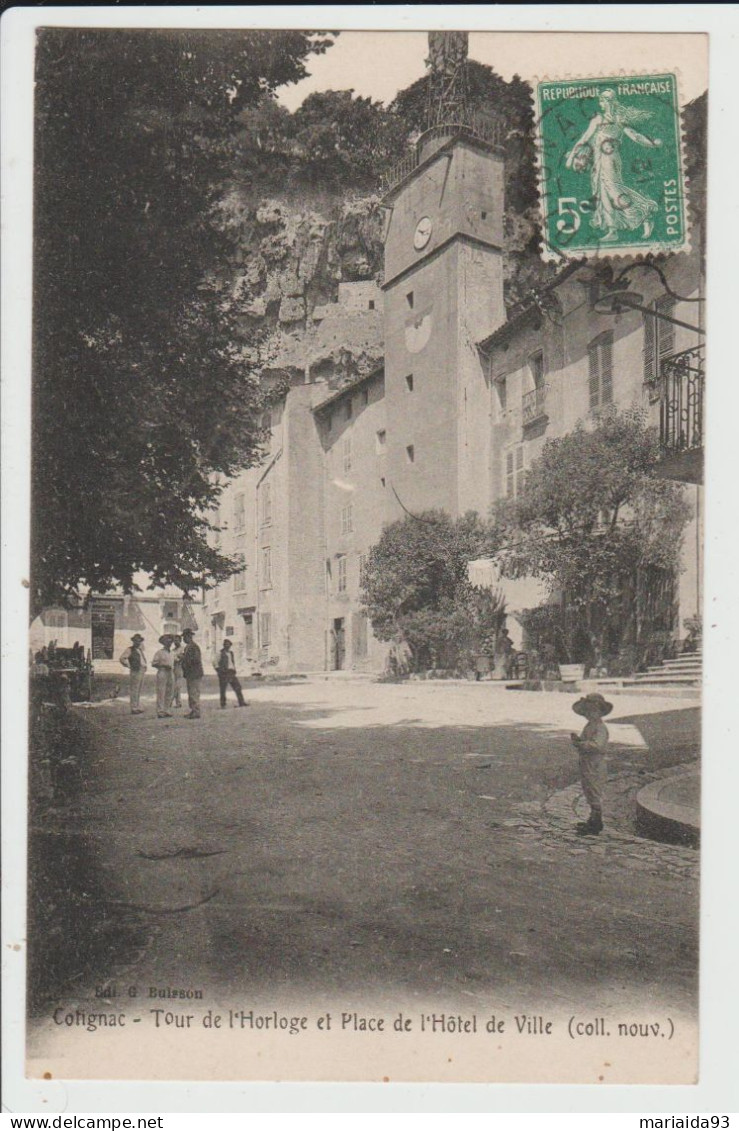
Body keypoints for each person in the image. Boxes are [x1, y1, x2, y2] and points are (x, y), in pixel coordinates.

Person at [566, 89, 662, 243]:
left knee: (615, 191)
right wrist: (571, 156)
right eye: (601, 101)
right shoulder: (598, 119)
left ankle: (645, 212)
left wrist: (651, 143)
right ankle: (613, 230)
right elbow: (584, 139)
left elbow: (634, 135)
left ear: (609, 101)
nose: (601, 103)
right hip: (599, 160)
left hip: (611, 160)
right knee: (603, 193)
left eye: (603, 100)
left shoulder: (618, 119)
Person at [570, 693, 613, 836]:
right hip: (587, 762)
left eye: (592, 711)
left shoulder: (600, 728)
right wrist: (578, 741)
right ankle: (592, 819)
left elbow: (598, 745)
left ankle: (596, 822)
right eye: (587, 711)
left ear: (599, 712)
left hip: (595, 763)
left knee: (594, 790)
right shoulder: (590, 725)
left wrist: (583, 744)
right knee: (588, 789)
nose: (589, 714)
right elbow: (586, 740)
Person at [119, 633, 147, 715]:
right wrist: (128, 665)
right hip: (135, 671)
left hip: (141, 670)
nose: (138, 642)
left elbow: (142, 660)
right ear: (133, 641)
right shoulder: (129, 649)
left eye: (139, 641)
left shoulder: (140, 650)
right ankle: (133, 708)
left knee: (138, 689)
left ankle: (137, 706)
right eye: (136, 641)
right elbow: (122, 658)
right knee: (134, 689)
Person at [216, 639, 248, 709]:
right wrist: (219, 671)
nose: (227, 646)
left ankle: (241, 702)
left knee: (238, 687)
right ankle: (223, 704)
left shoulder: (231, 653)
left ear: (230, 645)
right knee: (223, 689)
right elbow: (215, 663)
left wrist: (234, 669)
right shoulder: (220, 653)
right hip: (224, 673)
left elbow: (232, 662)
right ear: (224, 645)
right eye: (226, 644)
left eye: (229, 644)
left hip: (231, 672)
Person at [180, 628, 204, 719]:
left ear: (189, 637)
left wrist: (184, 660)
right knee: (191, 692)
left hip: (194, 673)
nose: (183, 639)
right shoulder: (188, 647)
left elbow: (196, 659)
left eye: (184, 637)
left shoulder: (194, 647)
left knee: (194, 692)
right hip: (190, 674)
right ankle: (193, 710)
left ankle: (196, 711)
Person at [151, 635, 175, 719]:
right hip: (162, 672)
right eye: (167, 641)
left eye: (170, 642)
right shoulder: (159, 652)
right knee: (161, 691)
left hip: (171, 673)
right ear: (163, 643)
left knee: (170, 691)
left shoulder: (172, 653)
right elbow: (153, 663)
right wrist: (163, 665)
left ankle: (167, 709)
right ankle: (160, 711)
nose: (169, 643)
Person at [170, 634, 184, 708]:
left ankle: (170, 701)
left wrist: (177, 658)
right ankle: (178, 702)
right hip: (173, 668)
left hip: (179, 667)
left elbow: (182, 658)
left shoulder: (182, 649)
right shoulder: (172, 650)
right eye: (174, 640)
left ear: (180, 640)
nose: (175, 642)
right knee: (174, 684)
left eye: (177, 640)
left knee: (177, 686)